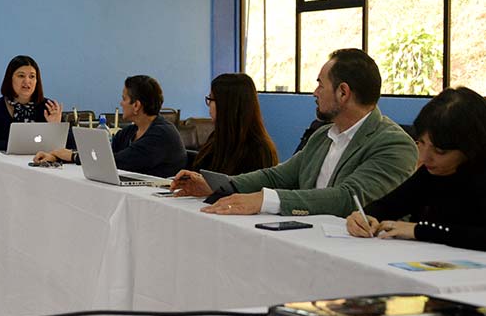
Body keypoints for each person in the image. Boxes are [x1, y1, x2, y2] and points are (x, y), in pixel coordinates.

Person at [172, 49, 417, 217]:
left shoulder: (393, 144)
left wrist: (263, 201)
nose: (315, 92)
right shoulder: (323, 136)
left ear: (343, 93)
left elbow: (346, 198)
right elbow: (277, 177)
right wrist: (220, 186)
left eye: (321, 84)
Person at [346, 87, 486, 249]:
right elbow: (388, 205)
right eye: (420, 143)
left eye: (440, 151)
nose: (424, 157)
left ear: (471, 148)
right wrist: (364, 217)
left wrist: (420, 230)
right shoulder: (431, 172)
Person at [35, 75, 186, 178]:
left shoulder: (161, 134)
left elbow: (116, 161)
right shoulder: (131, 131)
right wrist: (56, 156)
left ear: (136, 105)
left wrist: (73, 156)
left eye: (124, 99)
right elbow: (100, 152)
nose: (120, 103)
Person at [191, 73, 278, 175]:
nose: (209, 105)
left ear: (226, 105)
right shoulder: (216, 138)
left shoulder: (258, 151)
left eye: (211, 99)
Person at [0, 55, 63, 151]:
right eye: (21, 76)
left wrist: (56, 127)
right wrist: (16, 145)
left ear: (37, 81)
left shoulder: (48, 107)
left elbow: (72, 146)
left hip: (41, 162)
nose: (27, 81)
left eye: (32, 76)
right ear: (10, 79)